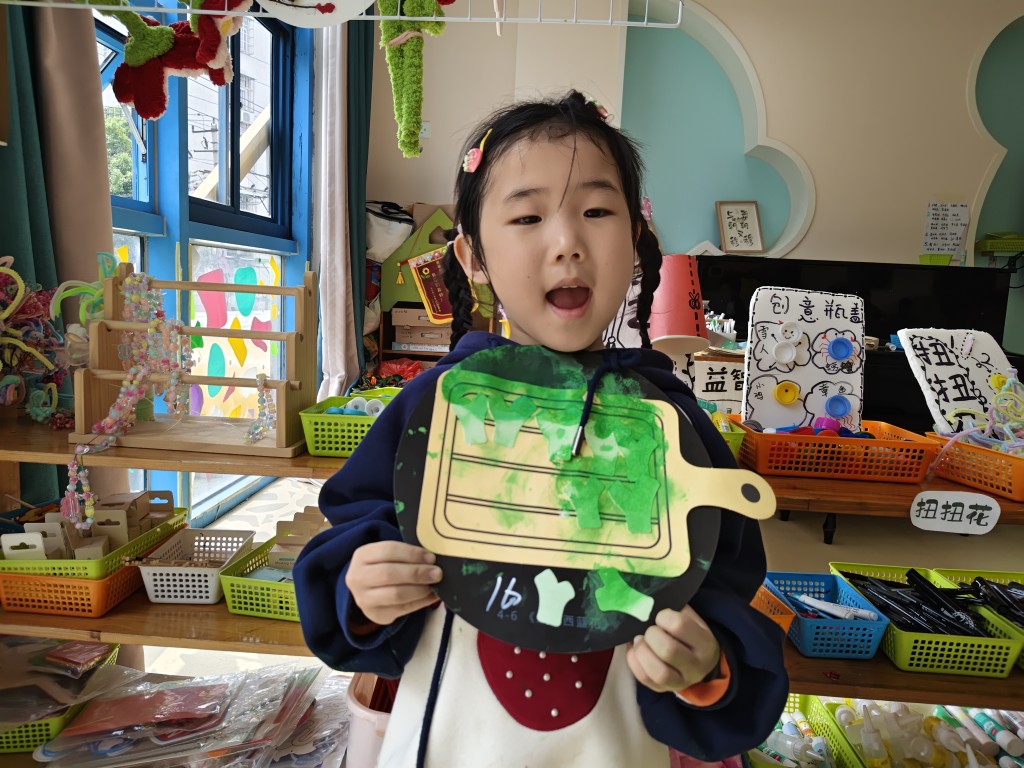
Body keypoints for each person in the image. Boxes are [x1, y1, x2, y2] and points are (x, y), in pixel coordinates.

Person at [294, 90, 788, 768]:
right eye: (527, 216)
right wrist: (362, 589)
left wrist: (707, 664)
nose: (567, 244)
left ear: (636, 240)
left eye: (597, 211)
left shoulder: (668, 423)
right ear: (473, 257)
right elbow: (354, 535)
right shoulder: (440, 406)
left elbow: (726, 588)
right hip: (449, 740)